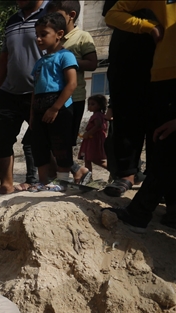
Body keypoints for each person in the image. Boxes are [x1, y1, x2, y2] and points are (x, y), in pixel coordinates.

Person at [103, 0, 176, 232]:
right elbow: (113, 14)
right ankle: (152, 211)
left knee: (167, 144)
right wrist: (148, 26)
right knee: (166, 141)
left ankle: (142, 212)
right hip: (163, 73)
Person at [0, 0, 50, 198]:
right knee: (0, 140)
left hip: (40, 92)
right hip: (9, 92)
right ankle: (6, 186)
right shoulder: (12, 21)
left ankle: (50, 183)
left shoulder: (50, 12)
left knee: (44, 140)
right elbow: (4, 59)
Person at [29, 13, 91, 184]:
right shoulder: (39, 62)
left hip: (60, 108)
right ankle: (43, 182)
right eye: (37, 35)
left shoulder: (66, 56)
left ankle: (63, 183)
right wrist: (32, 114)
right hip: (40, 107)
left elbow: (71, 84)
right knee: (39, 146)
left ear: (59, 34)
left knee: (60, 145)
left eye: (43, 34)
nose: (38, 39)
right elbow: (35, 89)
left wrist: (55, 108)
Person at [101, 0, 154, 197]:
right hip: (126, 53)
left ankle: (158, 177)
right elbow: (110, 18)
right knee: (125, 116)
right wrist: (144, 26)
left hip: (163, 51)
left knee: (161, 117)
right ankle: (127, 173)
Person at [46, 0, 98, 180]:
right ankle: (75, 171)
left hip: (73, 99)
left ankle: (65, 179)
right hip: (52, 98)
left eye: (56, 15)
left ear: (71, 16)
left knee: (64, 141)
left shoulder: (82, 37)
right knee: (51, 140)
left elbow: (92, 63)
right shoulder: (52, 38)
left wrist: (66, 62)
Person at [78, 95, 109, 171]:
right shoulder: (101, 115)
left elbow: (98, 126)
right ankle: (88, 175)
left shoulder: (97, 116)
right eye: (89, 104)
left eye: (93, 104)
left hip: (94, 140)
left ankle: (113, 170)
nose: (90, 106)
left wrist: (88, 133)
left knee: (95, 159)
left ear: (100, 105)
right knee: (87, 159)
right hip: (92, 139)